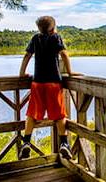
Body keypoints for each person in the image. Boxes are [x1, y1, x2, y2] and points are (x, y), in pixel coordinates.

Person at [18, 15, 75, 160]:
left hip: (37, 83)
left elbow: (27, 56)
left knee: (31, 113)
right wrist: (70, 72)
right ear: (53, 28)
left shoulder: (35, 38)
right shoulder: (56, 38)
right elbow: (64, 55)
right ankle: (64, 144)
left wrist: (22, 73)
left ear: (39, 28)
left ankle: (26, 142)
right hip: (53, 83)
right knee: (59, 114)